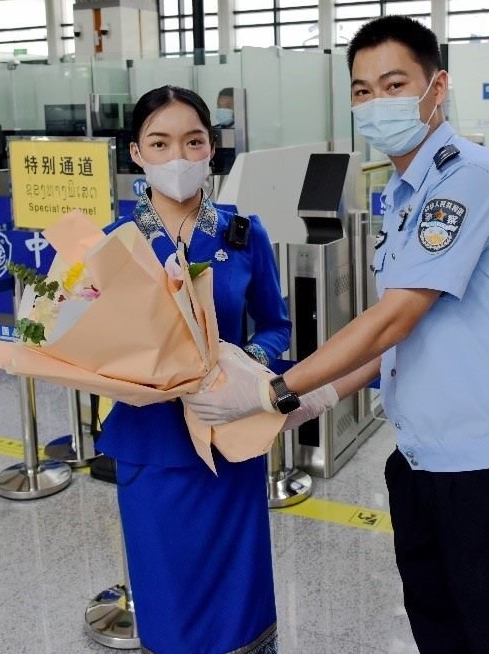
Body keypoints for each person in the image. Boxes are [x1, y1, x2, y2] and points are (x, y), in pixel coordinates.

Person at [186, 16, 489, 653]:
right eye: (362, 90)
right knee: (442, 634)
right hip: (421, 460)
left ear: (436, 87)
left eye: (394, 84)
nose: (376, 102)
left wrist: (274, 390)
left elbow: (395, 317)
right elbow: (399, 332)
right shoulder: (403, 192)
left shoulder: (467, 177)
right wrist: (322, 395)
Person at [96, 85, 332, 654]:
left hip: (229, 438)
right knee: (166, 588)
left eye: (193, 141)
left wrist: (236, 367)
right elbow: (93, 343)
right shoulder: (114, 244)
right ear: (136, 152)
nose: (178, 156)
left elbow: (275, 326)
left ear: (211, 148)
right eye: (160, 143)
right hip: (151, 445)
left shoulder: (242, 234)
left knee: (237, 596)